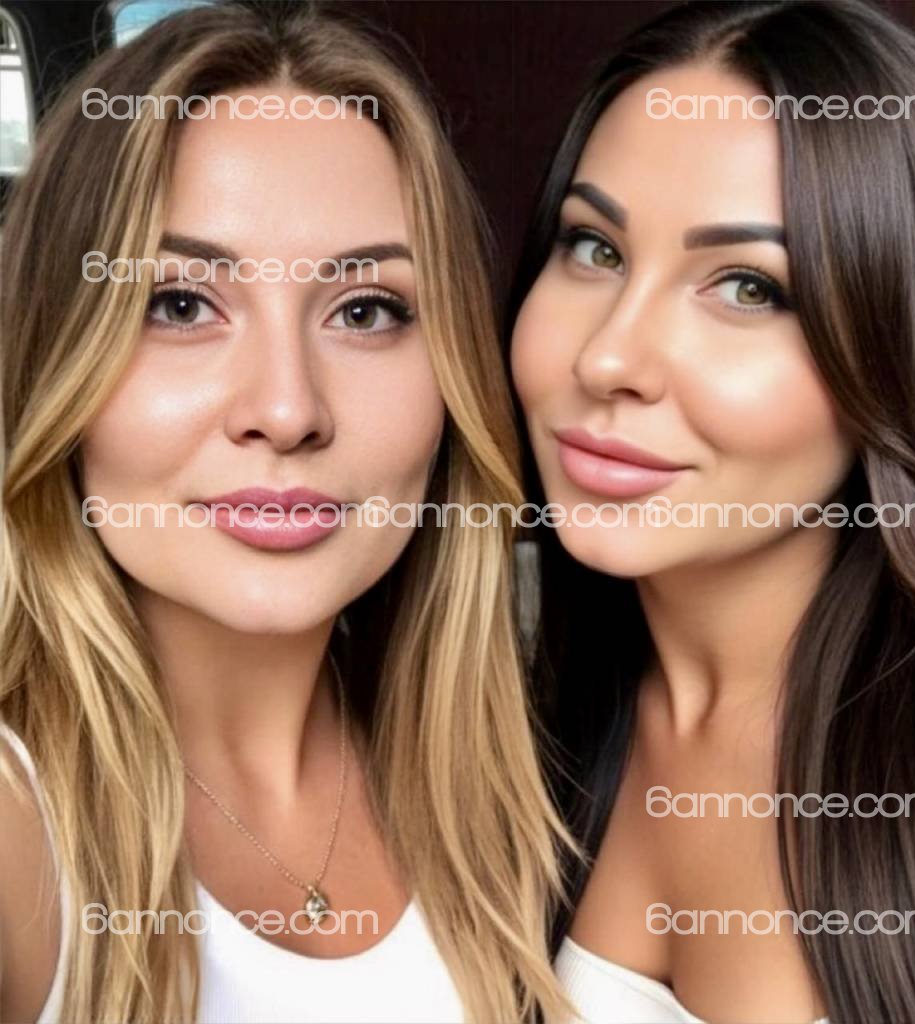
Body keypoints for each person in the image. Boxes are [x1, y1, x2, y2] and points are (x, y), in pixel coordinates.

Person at [0, 2, 569, 1022]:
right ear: (55, 361)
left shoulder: (502, 795)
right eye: (180, 304)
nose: (288, 408)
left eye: (365, 310)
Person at [508, 1, 915, 1021]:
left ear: (898, 353)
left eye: (746, 286)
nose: (608, 357)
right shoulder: (511, 723)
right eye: (595, 248)